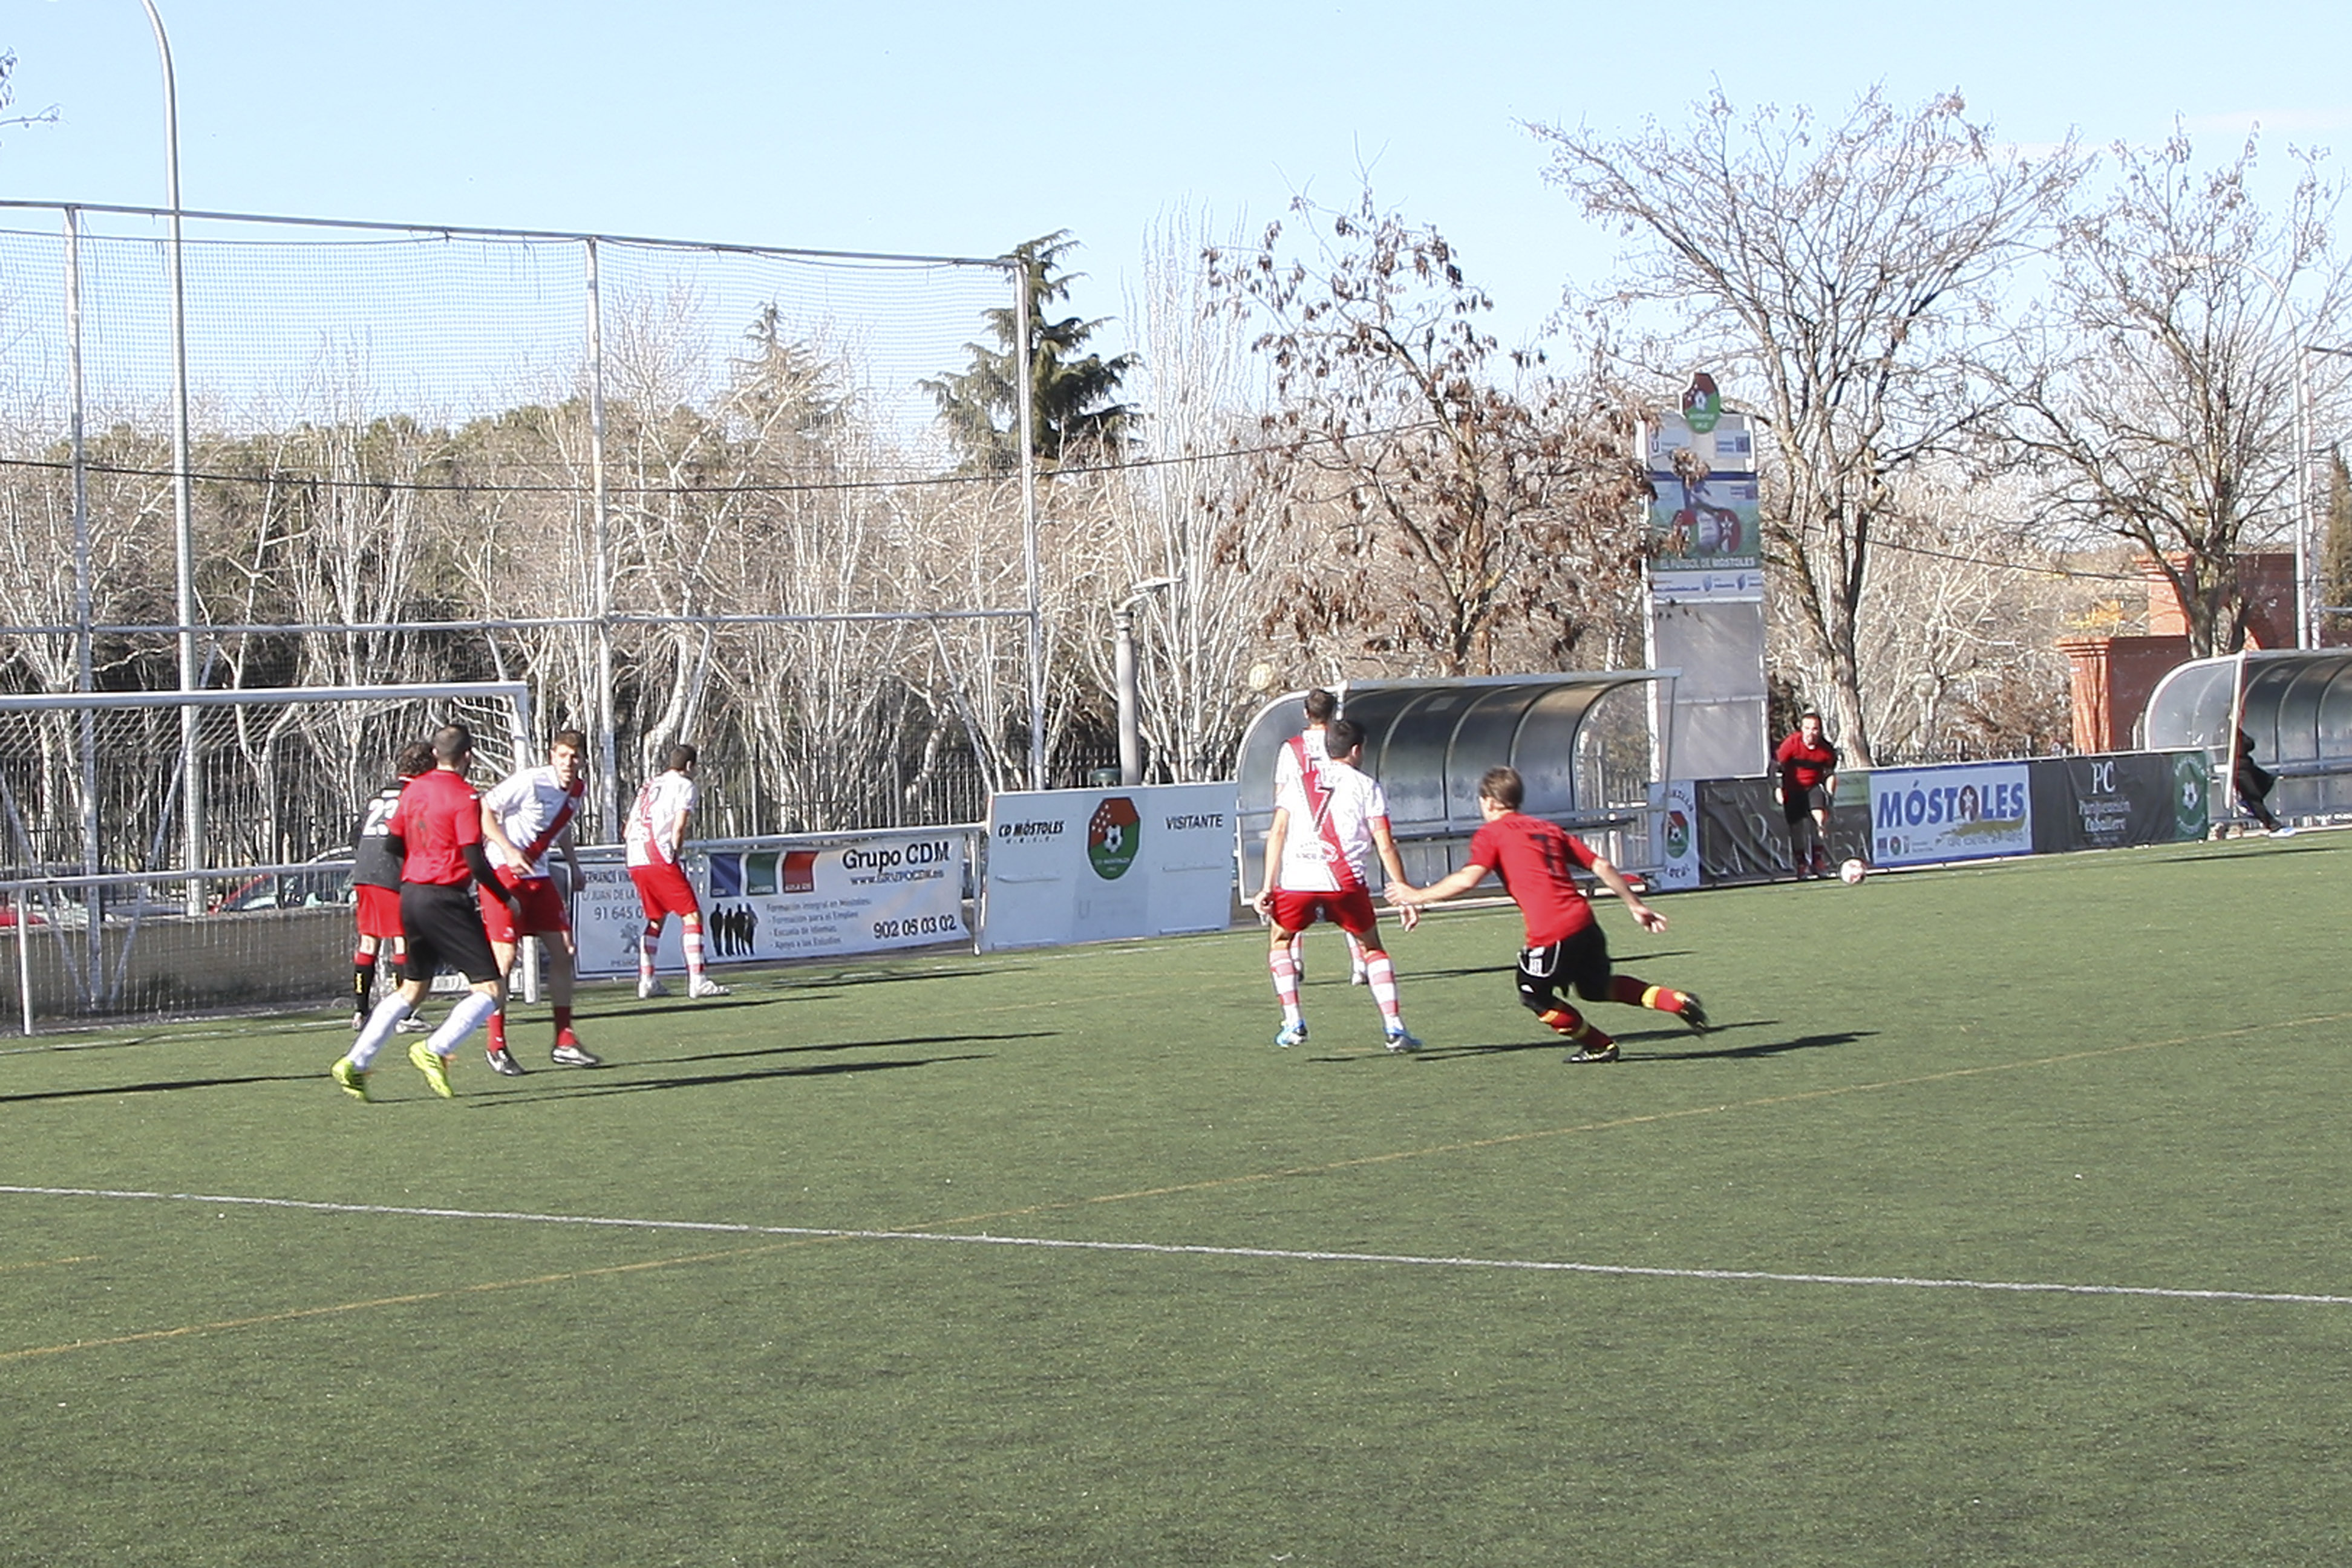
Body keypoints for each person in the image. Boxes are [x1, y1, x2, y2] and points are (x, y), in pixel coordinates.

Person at [1387, 765, 1710, 1065]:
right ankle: (1675, 1000)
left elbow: (1469, 879)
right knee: (1595, 988)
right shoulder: (1547, 829)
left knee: (1533, 993)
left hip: (1553, 931)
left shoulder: (1492, 833)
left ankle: (1599, 1045)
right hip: (1585, 923)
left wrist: (1417, 895)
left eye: (1481, 801)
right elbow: (1601, 865)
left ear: (1489, 801)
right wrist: (1635, 905)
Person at [332, 723, 521, 1101]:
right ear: (468, 756)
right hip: (445, 899)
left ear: (435, 755)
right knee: (491, 989)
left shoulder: (415, 789)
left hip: (410, 896)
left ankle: (354, 1061)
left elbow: (393, 844)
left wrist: (419, 864)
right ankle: (436, 1048)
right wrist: (504, 897)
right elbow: (475, 860)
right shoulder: (466, 796)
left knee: (413, 988)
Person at [1252, 718, 1422, 1052]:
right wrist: (1403, 890)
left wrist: (1267, 886)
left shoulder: (1298, 782)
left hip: (1297, 881)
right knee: (1372, 948)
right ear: (1356, 750)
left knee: (1280, 940)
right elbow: (1385, 844)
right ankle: (1394, 1027)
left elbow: (1278, 832)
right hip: (1345, 882)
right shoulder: (1367, 786)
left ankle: (1293, 1023)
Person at [477, 728, 602, 1074]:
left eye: (574, 757)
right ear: (552, 756)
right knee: (505, 959)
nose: (568, 762)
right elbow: (485, 808)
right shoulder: (531, 781)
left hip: (539, 876)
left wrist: (574, 866)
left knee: (565, 950)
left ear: (583, 759)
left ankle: (565, 1040)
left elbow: (561, 828)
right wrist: (507, 849)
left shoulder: (577, 790)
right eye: (562, 756)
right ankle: (496, 1044)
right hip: (503, 874)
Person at [1270, 688, 1372, 987]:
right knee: (1348, 900)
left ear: (1306, 713)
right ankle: (1360, 965)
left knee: (1295, 898)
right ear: (1334, 712)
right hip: (1339, 829)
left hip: (1303, 827)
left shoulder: (1292, 748)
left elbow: (1281, 792)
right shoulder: (1340, 741)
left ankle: (1295, 963)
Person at [626, 742, 730, 999]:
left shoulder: (649, 785)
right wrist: (675, 851)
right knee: (692, 915)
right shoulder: (685, 786)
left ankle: (646, 981)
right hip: (658, 856)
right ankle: (698, 981)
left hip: (635, 857)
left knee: (656, 917)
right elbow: (679, 826)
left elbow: (627, 829)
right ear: (690, 765)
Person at [349, 740, 434, 1031]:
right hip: (391, 874)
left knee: (368, 941)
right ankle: (404, 1014)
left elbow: (355, 835)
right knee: (402, 940)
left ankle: (360, 1012)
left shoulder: (378, 795)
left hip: (364, 872)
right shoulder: (416, 794)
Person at [1772, 711, 1840, 878]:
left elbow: (1829, 772)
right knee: (1797, 828)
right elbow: (1774, 767)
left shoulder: (1826, 750)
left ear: (1820, 731)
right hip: (1792, 789)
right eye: (1808, 728)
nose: (1811, 733)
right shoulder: (1791, 744)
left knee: (1819, 819)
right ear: (1802, 729)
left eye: (1815, 729)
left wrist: (1830, 790)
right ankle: (1802, 864)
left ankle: (1818, 861)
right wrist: (1777, 788)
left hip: (1813, 787)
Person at [2232, 728, 2292, 836]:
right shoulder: (2225, 732)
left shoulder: (2236, 730)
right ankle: (2273, 826)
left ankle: (2248, 805)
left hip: (2247, 765)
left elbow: (2250, 744)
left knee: (2267, 780)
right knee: (2253, 797)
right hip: (2237, 768)